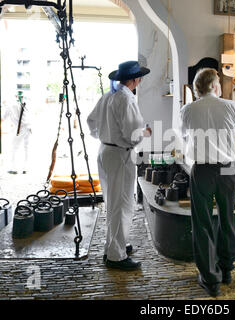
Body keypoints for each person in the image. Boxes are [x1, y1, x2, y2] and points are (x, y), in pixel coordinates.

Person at [180, 68, 235, 297]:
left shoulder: (187, 110)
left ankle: (210, 279)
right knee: (227, 218)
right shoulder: (233, 107)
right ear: (214, 86)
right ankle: (227, 268)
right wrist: (230, 143)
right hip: (228, 169)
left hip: (202, 170)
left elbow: (186, 137)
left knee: (202, 223)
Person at [87, 61, 151, 271]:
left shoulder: (108, 95)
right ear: (134, 80)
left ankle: (114, 245)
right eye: (139, 77)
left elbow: (91, 122)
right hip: (120, 155)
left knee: (113, 203)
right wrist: (145, 133)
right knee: (122, 204)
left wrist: (106, 136)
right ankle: (116, 256)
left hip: (105, 151)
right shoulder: (126, 98)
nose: (140, 81)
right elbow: (132, 135)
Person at [3, 93, 32, 175]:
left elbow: (3, 118)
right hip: (28, 128)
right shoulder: (25, 105)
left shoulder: (10, 106)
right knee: (26, 148)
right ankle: (25, 168)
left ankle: (13, 168)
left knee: (14, 148)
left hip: (19, 130)